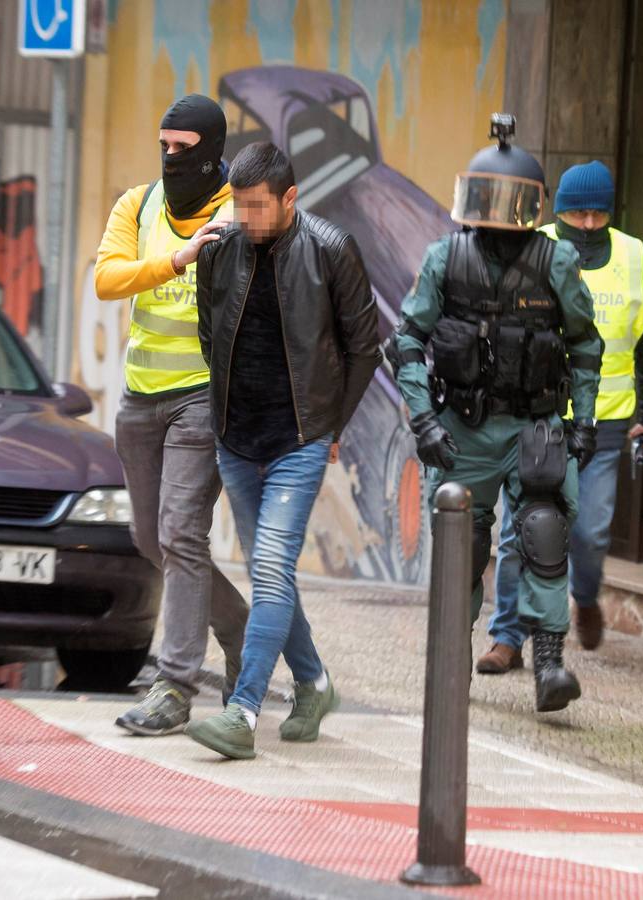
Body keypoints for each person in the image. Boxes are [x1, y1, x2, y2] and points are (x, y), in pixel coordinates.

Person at [393, 114, 604, 714]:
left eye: (511, 200)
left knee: (543, 530)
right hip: (462, 427)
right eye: (488, 197)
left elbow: (586, 345)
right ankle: (451, 655)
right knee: (461, 541)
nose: (498, 212)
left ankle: (547, 662)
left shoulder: (555, 262)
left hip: (536, 425)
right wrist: (422, 421)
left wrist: (583, 421)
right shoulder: (445, 258)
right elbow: (407, 341)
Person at [186, 142, 380, 759]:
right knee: (270, 573)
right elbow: (208, 331)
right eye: (238, 204)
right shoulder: (221, 250)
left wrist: (332, 428)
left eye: (257, 206)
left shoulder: (331, 249)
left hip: (299, 439)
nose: (245, 217)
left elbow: (365, 346)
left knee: (269, 569)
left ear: (289, 198)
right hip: (236, 439)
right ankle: (315, 682)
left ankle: (242, 712)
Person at [93, 94, 248, 736]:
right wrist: (178, 260)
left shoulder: (238, 214)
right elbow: (108, 279)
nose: (170, 158)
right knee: (150, 538)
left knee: (182, 533)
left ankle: (175, 686)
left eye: (183, 149)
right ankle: (241, 628)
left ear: (212, 152)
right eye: (164, 145)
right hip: (140, 396)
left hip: (201, 398)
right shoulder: (138, 203)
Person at [480, 161, 643, 672]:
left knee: (589, 534)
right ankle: (507, 637)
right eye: (577, 213)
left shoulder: (634, 255)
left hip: (607, 425)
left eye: (597, 213)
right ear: (559, 210)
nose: (587, 224)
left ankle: (584, 596)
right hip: (537, 418)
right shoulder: (530, 244)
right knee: (521, 530)